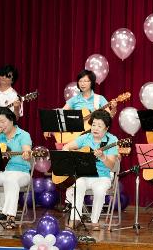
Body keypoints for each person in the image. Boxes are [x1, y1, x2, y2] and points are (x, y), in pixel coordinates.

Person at [46, 69, 116, 212]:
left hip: (94, 139)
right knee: (73, 167)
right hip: (78, 139)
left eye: (86, 81)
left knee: (86, 169)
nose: (83, 83)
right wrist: (51, 126)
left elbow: (108, 118)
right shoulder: (74, 99)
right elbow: (61, 116)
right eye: (81, 81)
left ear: (92, 83)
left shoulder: (99, 99)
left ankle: (82, 205)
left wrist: (113, 109)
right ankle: (71, 202)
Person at [62, 109, 118, 230]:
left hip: (103, 176)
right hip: (85, 174)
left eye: (99, 126)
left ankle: (94, 220)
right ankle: (75, 218)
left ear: (106, 128)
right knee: (78, 185)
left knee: (99, 190)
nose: (95, 128)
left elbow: (112, 165)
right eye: (93, 125)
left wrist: (103, 157)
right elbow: (67, 146)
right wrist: (68, 157)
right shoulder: (85, 138)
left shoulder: (112, 140)